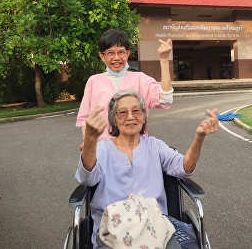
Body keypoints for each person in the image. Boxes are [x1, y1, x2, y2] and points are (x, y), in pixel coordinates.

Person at [75, 89, 219, 248]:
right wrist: (90, 140)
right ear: (114, 120)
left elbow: (185, 167)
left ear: (143, 116)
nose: (130, 116)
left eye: (136, 111)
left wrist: (199, 137)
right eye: (122, 112)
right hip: (114, 230)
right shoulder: (102, 149)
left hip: (156, 226)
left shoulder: (155, 146)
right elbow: (86, 178)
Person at [76, 28, 174, 150]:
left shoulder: (141, 79)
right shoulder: (94, 81)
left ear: (128, 53)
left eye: (121, 52)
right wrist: (88, 140)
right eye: (110, 53)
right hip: (102, 148)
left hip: (136, 148)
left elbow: (165, 99)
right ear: (102, 56)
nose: (116, 58)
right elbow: (84, 118)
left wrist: (164, 61)